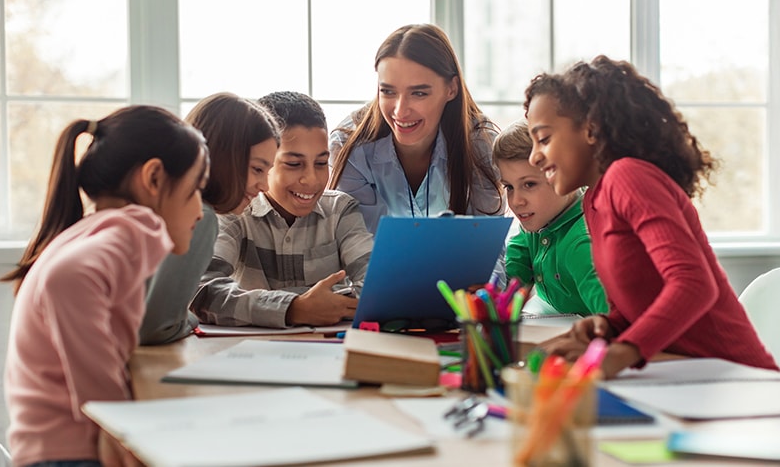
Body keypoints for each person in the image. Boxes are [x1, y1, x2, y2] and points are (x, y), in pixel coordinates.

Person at [528, 57, 778, 377]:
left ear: (590, 129)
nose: (534, 157)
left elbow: (693, 284)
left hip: (738, 377)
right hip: (687, 375)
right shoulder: (594, 202)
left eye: (544, 139)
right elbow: (639, 305)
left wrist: (623, 352)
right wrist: (608, 326)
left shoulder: (628, 177)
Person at [0, 106, 207, 467]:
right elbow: (67, 278)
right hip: (71, 455)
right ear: (154, 178)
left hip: (50, 449)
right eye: (195, 190)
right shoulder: (131, 228)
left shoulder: (94, 229)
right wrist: (116, 426)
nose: (200, 211)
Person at [193, 91, 374, 327]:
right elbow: (202, 291)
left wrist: (264, 305)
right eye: (294, 164)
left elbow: (375, 288)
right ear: (266, 161)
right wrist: (294, 308)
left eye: (321, 163)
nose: (311, 179)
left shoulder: (341, 210)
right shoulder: (235, 212)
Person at [329, 23, 503, 233]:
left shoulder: (481, 145)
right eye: (388, 92)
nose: (400, 111)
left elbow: (486, 243)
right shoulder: (349, 146)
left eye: (419, 93)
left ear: (451, 89)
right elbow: (360, 243)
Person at [140, 93, 279, 345]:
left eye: (268, 172)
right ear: (223, 157)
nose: (265, 186)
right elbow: (157, 328)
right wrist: (191, 319)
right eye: (257, 169)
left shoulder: (160, 205)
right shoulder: (199, 217)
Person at [493, 120, 607, 316]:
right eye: (509, 187)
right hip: (554, 316)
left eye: (529, 184)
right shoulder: (537, 224)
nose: (516, 201)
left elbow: (613, 319)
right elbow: (513, 276)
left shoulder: (581, 244)